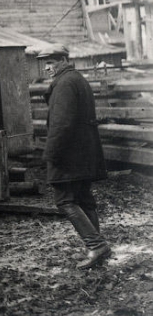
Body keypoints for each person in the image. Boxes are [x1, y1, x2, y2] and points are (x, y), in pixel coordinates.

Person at [39, 43, 111, 269]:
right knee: (84, 199)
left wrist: (51, 154)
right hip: (83, 153)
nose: (46, 68)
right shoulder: (76, 79)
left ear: (63, 60)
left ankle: (96, 245)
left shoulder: (65, 83)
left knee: (65, 200)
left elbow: (61, 124)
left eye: (50, 63)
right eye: (45, 64)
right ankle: (98, 246)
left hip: (70, 155)